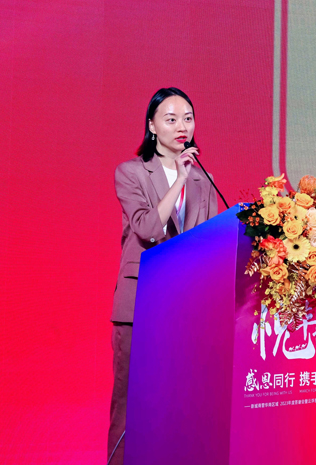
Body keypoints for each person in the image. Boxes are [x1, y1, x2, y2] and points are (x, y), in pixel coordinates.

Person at [108, 87, 218, 465]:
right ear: (152, 126)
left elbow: (210, 245)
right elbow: (148, 228)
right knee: (130, 405)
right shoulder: (131, 172)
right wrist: (179, 180)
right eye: (171, 119)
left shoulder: (205, 180)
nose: (181, 126)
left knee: (180, 403)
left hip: (186, 309)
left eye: (187, 118)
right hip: (140, 304)